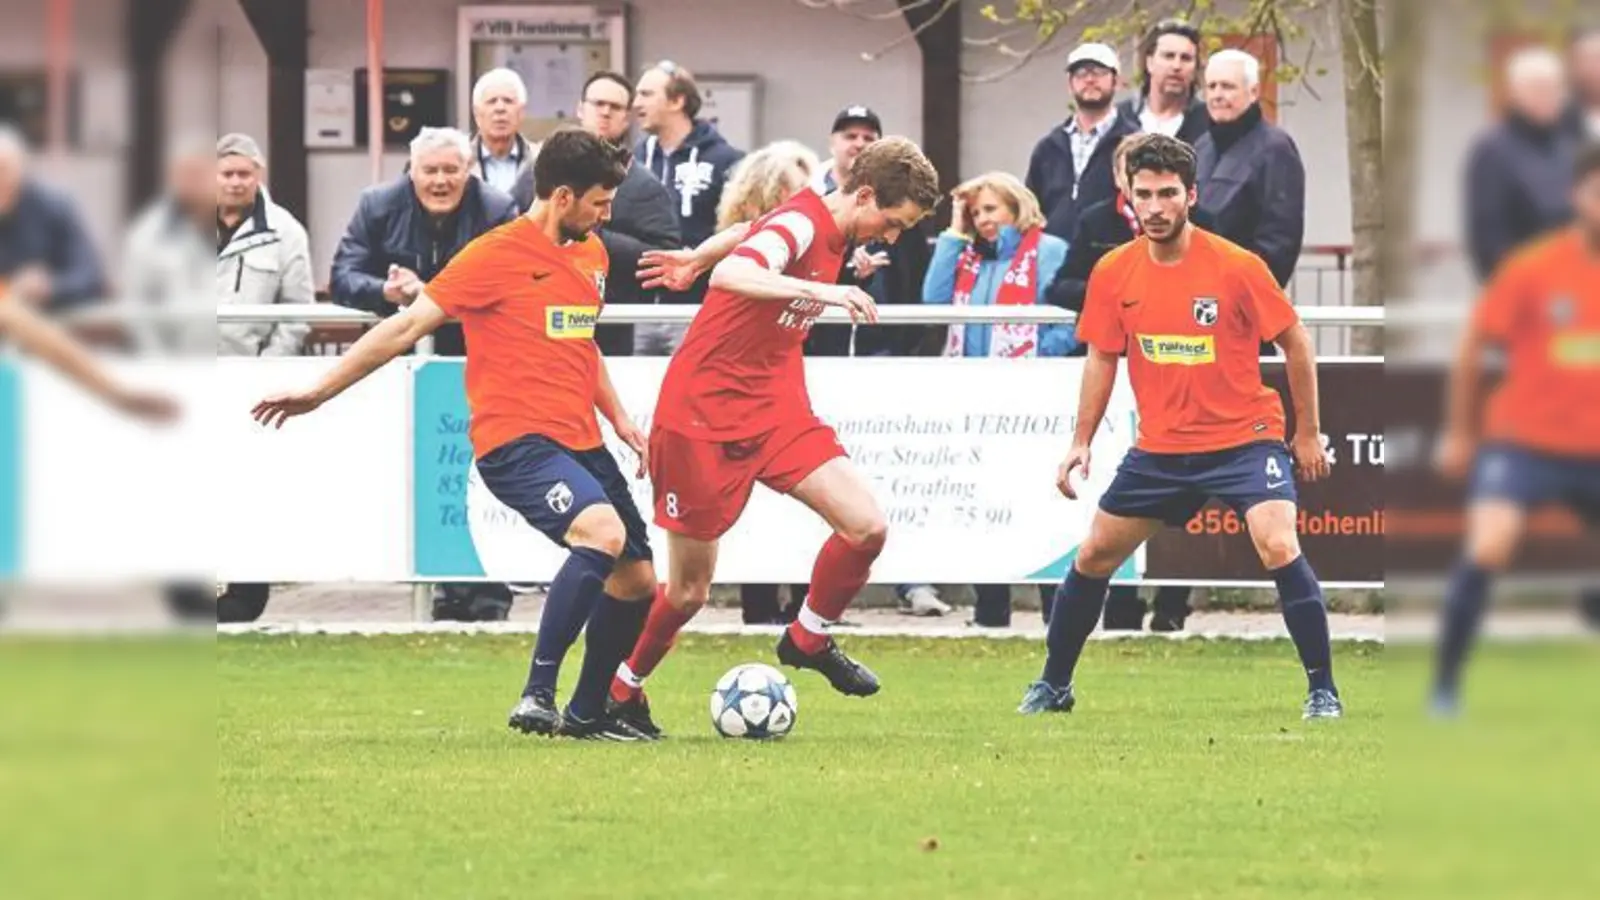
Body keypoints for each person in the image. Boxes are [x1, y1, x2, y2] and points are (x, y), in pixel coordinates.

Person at [251, 128, 659, 741]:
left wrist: (622, 419)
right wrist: (317, 390)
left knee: (637, 582)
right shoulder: (494, 255)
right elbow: (402, 328)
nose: (607, 216)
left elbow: (582, 341)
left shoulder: (591, 254)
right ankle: (537, 694)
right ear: (564, 196)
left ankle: (587, 712)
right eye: (601, 203)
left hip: (582, 439)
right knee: (602, 532)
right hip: (515, 442)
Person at [606, 137, 942, 733]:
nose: (891, 237)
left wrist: (694, 258)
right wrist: (823, 290)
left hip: (776, 406)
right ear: (864, 194)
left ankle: (807, 638)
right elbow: (741, 270)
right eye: (892, 223)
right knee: (687, 593)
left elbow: (740, 238)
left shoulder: (820, 219)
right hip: (701, 416)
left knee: (866, 526)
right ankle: (622, 689)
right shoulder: (803, 225)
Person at [1017, 135, 1341, 720]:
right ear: (1128, 197)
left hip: (1246, 438)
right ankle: (1053, 685)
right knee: (1091, 556)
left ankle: (1323, 690)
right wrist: (1081, 441)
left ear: (1190, 195)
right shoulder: (1114, 271)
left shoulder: (1237, 266)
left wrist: (1307, 433)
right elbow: (1102, 356)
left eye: (1169, 193)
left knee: (1278, 542)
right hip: (1162, 450)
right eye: (1145, 194)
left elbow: (1296, 342)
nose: (1156, 206)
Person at [1430, 142, 1600, 716]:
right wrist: (1459, 431)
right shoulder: (1534, 268)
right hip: (1525, 441)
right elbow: (1475, 346)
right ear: (1577, 195)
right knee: (1490, 542)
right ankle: (1446, 687)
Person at [632, 60, 745, 351]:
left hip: (698, 308)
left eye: (646, 94)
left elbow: (739, 228)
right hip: (636, 308)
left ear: (677, 100)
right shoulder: (631, 161)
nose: (636, 103)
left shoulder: (726, 161)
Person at [1465, 46, 1578, 281]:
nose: (1548, 95)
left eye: (1555, 87)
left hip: (1576, 289)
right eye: (1539, 88)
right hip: (1522, 289)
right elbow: (1488, 237)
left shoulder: (1571, 147)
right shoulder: (1493, 151)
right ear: (1514, 92)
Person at [1026, 42, 1139, 243]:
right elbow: (1029, 211)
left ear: (1116, 81)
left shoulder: (1134, 143)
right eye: (1080, 73)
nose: (1089, 79)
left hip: (1110, 259)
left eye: (1099, 72)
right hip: (1052, 262)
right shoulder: (1048, 148)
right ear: (1069, 84)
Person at [215, 133, 315, 357]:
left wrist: (268, 363)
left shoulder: (287, 232)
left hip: (255, 371)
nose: (235, 182)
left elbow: (298, 310)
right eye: (227, 174)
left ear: (259, 176)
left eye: (244, 174)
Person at [0, 124, 106, 312]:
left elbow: (90, 276)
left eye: (4, 169)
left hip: (48, 321)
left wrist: (48, 286)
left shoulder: (54, 206)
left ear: (22, 169)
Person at [1115, 19, 1210, 145]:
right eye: (1169, 56)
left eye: (1186, 58)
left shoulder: (1209, 123)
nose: (1176, 66)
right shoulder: (1119, 118)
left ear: (1195, 68)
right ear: (1149, 62)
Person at [467, 68, 536, 207]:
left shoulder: (541, 160)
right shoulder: (460, 163)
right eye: (492, 101)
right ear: (476, 113)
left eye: (508, 101)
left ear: (521, 112)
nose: (500, 108)